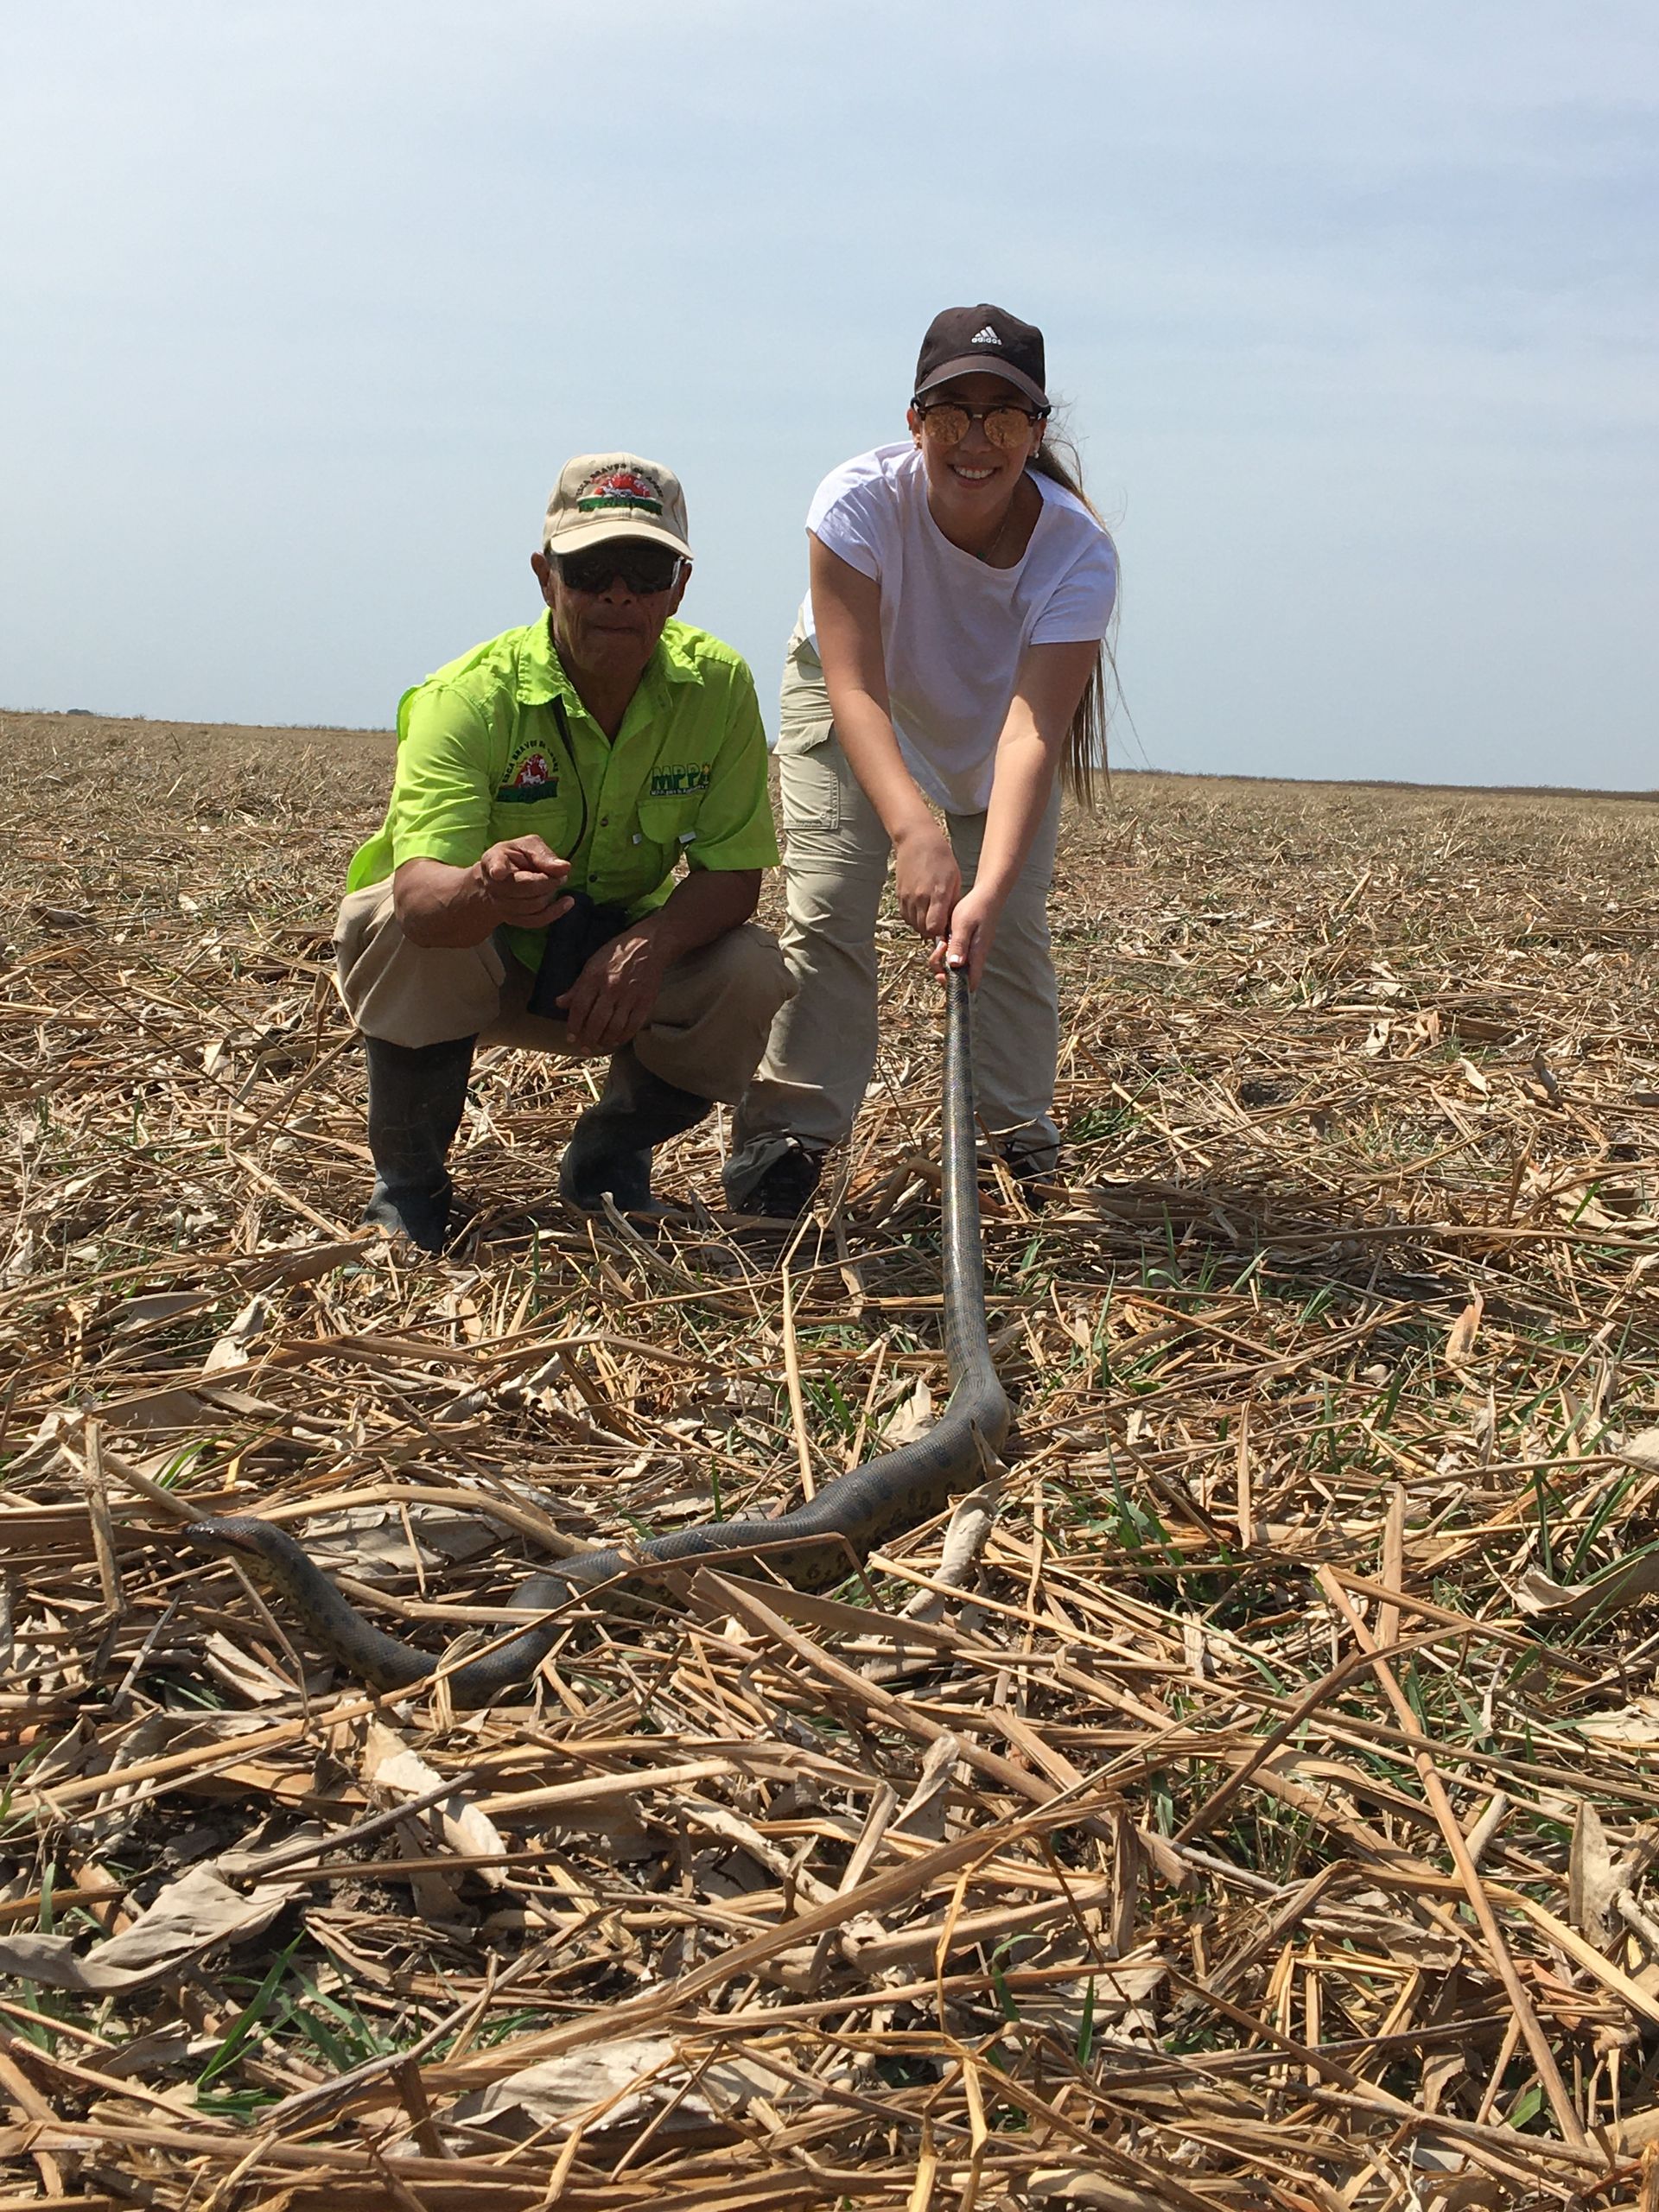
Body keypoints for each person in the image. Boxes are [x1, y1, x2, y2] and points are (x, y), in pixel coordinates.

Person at [334, 452, 791, 1249]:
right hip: (482, 957)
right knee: (391, 926)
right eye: (592, 569)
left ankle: (609, 1163)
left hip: (611, 972)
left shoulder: (718, 687)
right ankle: (409, 1191)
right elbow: (419, 898)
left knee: (750, 971)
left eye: (645, 570)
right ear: (547, 577)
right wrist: (484, 887)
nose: (618, 593)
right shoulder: (467, 698)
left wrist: (651, 946)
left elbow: (734, 873)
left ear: (679, 586)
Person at [724, 305, 1118, 1217]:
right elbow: (855, 691)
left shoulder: (1078, 553)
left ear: (1037, 431)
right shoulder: (855, 504)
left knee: (1007, 927)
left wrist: (981, 885)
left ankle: (1012, 1140)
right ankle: (789, 1137)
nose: (975, 441)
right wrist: (911, 827)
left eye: (1004, 417)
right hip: (853, 696)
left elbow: (1029, 733)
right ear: (914, 422)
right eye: (951, 415)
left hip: (994, 727)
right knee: (828, 909)